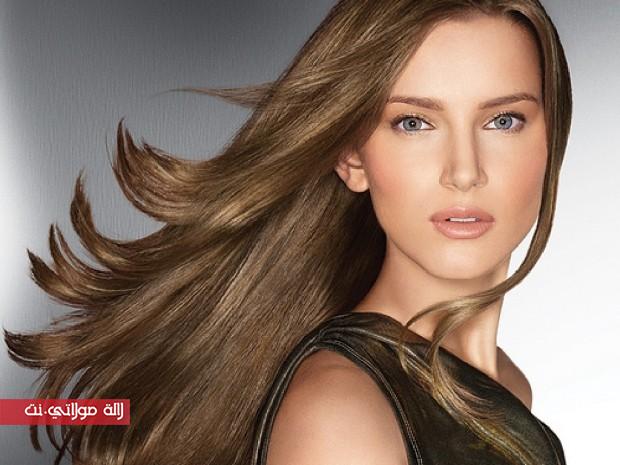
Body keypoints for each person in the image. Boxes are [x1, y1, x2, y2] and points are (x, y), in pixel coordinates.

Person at [4, 1, 572, 465]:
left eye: (503, 121)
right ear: (352, 157)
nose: (465, 171)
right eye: (413, 122)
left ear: (552, 140)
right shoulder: (343, 410)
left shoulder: (502, 385)